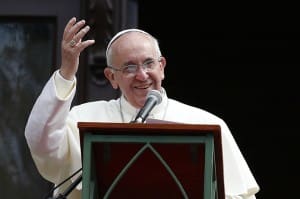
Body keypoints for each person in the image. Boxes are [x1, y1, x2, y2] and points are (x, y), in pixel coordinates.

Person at [25, 17, 260, 199]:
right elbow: (41, 142)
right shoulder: (84, 118)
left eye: (149, 63)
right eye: (128, 67)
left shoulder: (207, 124)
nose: (142, 75)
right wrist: (66, 73)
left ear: (162, 67)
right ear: (111, 77)